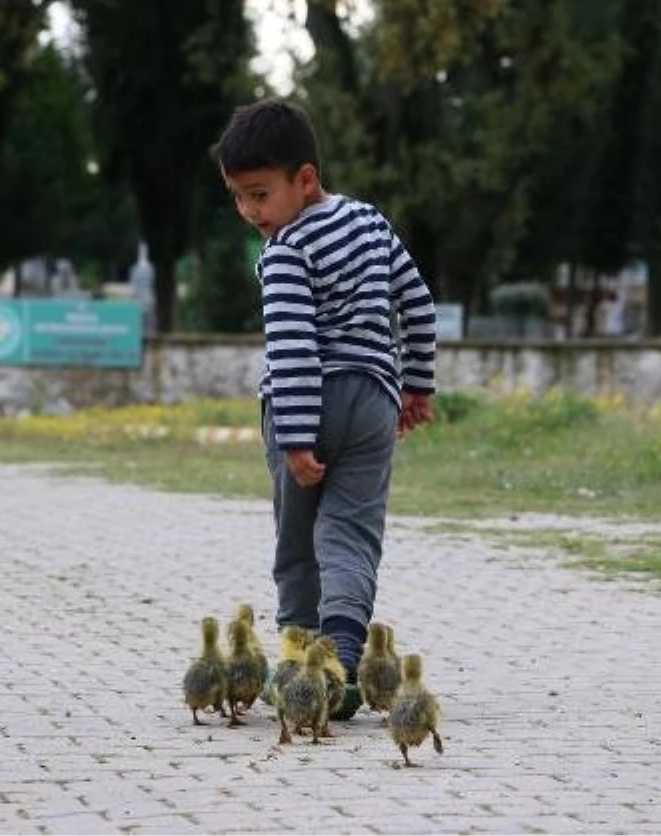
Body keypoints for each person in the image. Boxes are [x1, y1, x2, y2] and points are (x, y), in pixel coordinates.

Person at [210, 99, 437, 718]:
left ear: (304, 180)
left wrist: (297, 437)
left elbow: (293, 350)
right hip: (373, 402)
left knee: (298, 540)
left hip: (304, 405)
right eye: (238, 197)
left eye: (259, 195)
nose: (249, 213)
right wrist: (417, 384)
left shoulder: (283, 252)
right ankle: (342, 661)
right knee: (352, 536)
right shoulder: (370, 223)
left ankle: (302, 665)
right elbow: (418, 305)